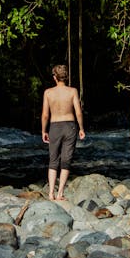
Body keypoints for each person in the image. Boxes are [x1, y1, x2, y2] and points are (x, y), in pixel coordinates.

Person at [41, 64, 85, 201]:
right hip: (70, 126)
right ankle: (60, 193)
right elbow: (78, 111)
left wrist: (43, 130)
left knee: (53, 160)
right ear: (66, 77)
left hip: (54, 126)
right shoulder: (73, 91)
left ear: (54, 77)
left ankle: (50, 194)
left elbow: (45, 115)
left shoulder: (48, 93)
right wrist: (81, 128)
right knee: (66, 160)